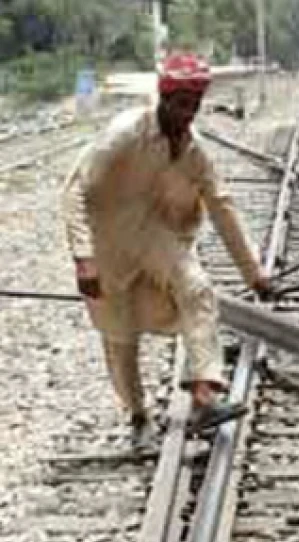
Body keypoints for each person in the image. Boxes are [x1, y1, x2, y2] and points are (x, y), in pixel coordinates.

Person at [61, 52, 271, 447]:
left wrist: (253, 273)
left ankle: (204, 396)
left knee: (197, 288)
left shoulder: (195, 152)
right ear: (163, 97)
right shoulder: (124, 133)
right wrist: (83, 258)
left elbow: (223, 209)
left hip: (149, 234)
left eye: (194, 104)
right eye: (180, 103)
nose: (187, 113)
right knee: (120, 339)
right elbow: (75, 192)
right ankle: (138, 416)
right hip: (104, 237)